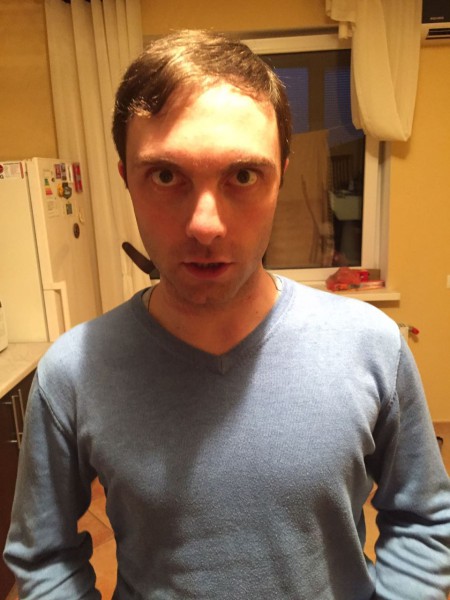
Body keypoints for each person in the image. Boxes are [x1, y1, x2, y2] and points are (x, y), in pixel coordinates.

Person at [4, 29, 450, 600]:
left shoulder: (373, 347)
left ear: (281, 175)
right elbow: (43, 557)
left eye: (242, 176)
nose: (205, 226)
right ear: (127, 181)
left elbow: (423, 521)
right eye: (166, 176)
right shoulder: (72, 372)